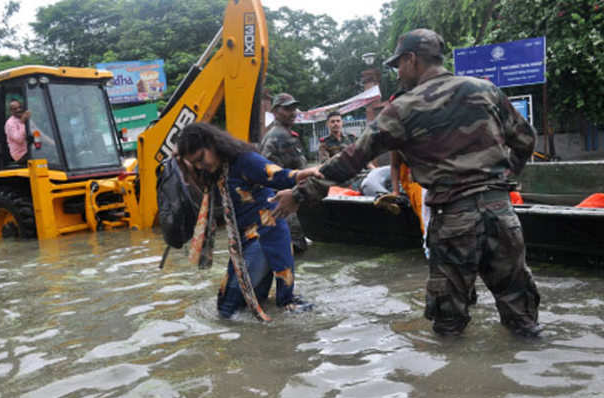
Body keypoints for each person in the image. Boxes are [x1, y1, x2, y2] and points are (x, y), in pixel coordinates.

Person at [272, 29, 542, 337]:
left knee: (449, 328)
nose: (398, 74)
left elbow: (352, 158)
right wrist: (505, 180)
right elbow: (525, 139)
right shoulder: (486, 90)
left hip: (455, 221)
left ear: (412, 59)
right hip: (502, 215)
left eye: (398, 65)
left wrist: (299, 194)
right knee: (523, 319)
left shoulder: (403, 108)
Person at [177, 122, 319, 319]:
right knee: (248, 305)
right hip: (244, 240)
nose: (202, 166)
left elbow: (277, 175)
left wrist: (305, 173)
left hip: (265, 237)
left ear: (212, 143)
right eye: (196, 163)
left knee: (228, 309)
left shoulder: (243, 160)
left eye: (201, 158)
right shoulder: (217, 169)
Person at [259, 93, 309, 252]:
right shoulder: (279, 136)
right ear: (274, 111)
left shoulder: (281, 134)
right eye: (287, 109)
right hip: (283, 203)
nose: (293, 112)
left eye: (294, 108)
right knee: (293, 249)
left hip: (282, 201)